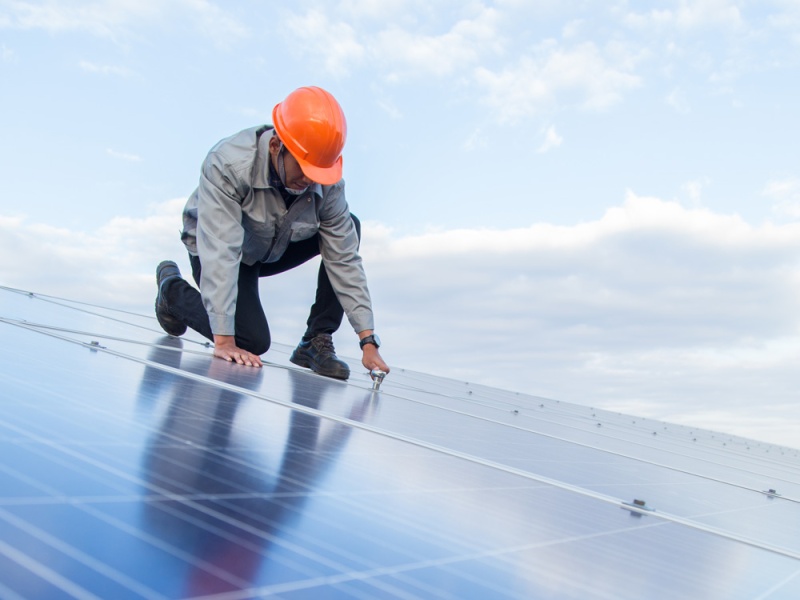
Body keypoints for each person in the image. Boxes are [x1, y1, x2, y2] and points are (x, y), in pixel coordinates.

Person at [154, 86, 389, 380]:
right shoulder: (229, 164)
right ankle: (172, 292)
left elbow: (344, 258)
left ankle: (315, 341)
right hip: (216, 248)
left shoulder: (327, 184)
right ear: (277, 145)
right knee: (251, 342)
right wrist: (224, 340)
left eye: (317, 173)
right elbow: (221, 248)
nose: (309, 181)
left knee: (349, 226)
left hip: (269, 248)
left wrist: (367, 339)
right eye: (303, 169)